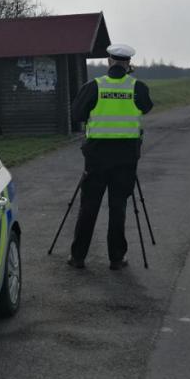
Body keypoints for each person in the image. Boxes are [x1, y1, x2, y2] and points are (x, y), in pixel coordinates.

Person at [67, 43, 153, 270]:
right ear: (128, 64)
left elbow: (76, 113)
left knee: (89, 207)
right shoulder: (138, 87)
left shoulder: (94, 86)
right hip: (126, 159)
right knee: (118, 207)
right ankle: (116, 257)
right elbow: (146, 108)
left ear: (109, 62)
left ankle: (78, 257)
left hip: (96, 159)